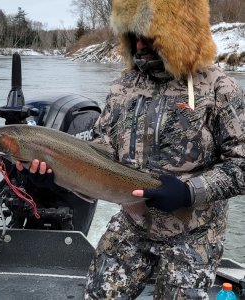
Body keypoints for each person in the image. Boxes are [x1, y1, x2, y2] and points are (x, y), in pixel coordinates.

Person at [17, 0, 245, 299]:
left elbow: (240, 165)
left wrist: (190, 191)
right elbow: (101, 147)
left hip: (195, 234)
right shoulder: (122, 87)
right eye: (132, 34)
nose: (138, 43)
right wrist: (56, 172)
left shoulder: (220, 88)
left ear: (179, 33)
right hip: (132, 224)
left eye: (148, 34)